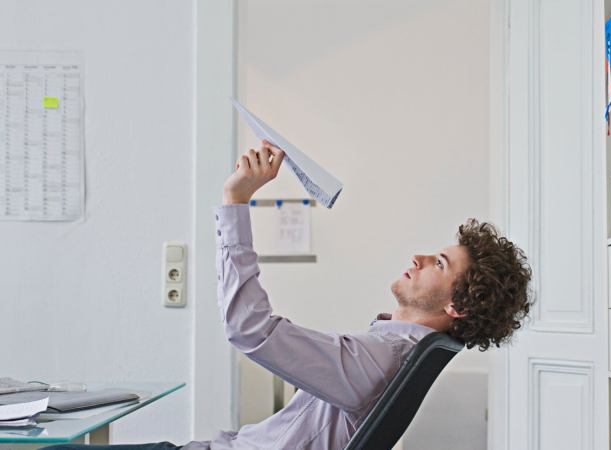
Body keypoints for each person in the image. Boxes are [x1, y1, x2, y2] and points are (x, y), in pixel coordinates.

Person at [45, 141, 532, 450]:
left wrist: (236, 202)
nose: (420, 256)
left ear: (456, 307)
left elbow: (250, 329)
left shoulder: (379, 358)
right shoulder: (396, 352)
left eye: (439, 263)